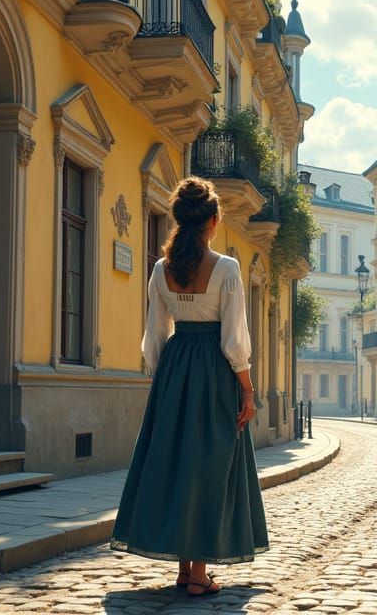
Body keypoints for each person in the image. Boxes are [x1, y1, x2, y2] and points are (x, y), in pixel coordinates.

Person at [111, 177, 269, 596]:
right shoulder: (227, 269)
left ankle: (185, 569)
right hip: (214, 371)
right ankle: (199, 574)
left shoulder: (160, 270)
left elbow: (154, 334)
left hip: (175, 367)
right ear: (213, 221)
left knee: (178, 464)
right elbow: (234, 338)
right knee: (210, 466)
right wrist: (247, 390)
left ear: (180, 219)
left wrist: (165, 381)